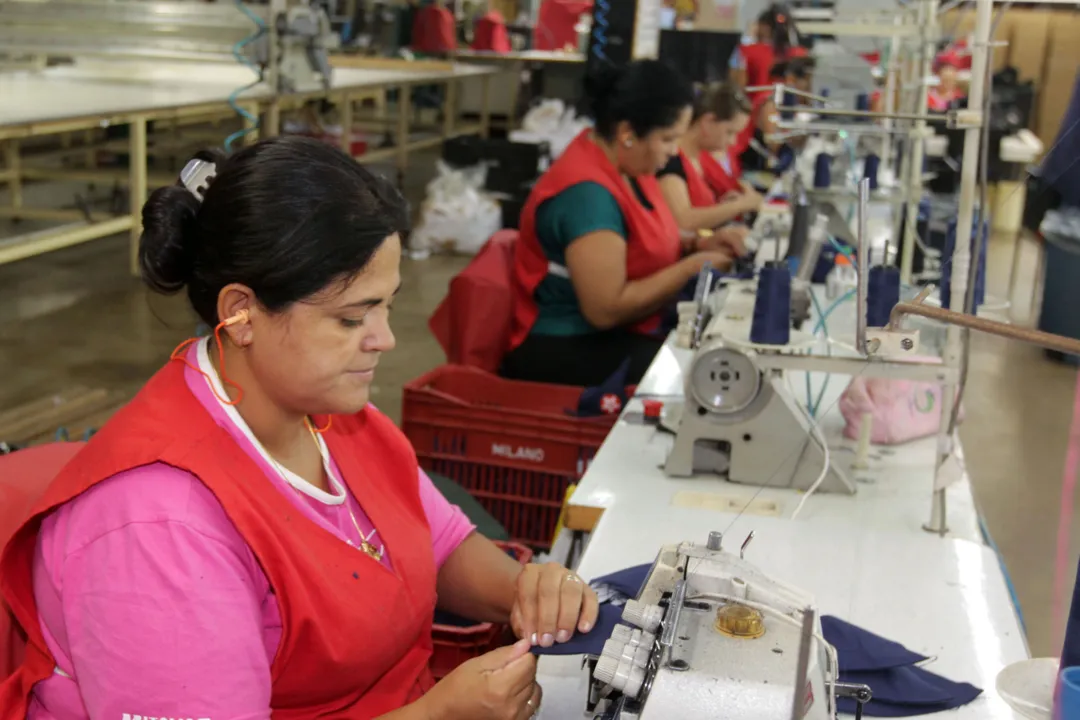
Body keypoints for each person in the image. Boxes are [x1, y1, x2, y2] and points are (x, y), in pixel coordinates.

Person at [0, 136, 598, 719]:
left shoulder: (330, 413)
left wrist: (527, 590)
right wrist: (440, 715)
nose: (385, 338)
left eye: (386, 305)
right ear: (242, 313)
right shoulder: (159, 531)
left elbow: (433, 545)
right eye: (351, 319)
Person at [500, 61, 733, 387]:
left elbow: (642, 237)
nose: (674, 152)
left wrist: (698, 243)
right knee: (697, 374)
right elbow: (604, 309)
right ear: (627, 134)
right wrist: (693, 267)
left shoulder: (630, 166)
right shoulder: (587, 196)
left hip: (610, 333)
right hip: (564, 344)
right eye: (668, 139)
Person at [657, 82, 764, 246]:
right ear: (707, 122)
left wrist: (723, 207)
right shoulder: (672, 161)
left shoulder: (698, 159)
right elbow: (684, 220)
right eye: (729, 132)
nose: (732, 141)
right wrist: (740, 205)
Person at [732, 56, 816, 175]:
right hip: (747, 168)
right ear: (791, 79)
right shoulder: (770, 103)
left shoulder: (788, 107)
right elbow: (774, 144)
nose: (810, 89)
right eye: (808, 82)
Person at [730, 4, 805, 100]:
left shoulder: (746, 51)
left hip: (756, 105)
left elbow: (736, 84)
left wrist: (747, 38)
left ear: (764, 27)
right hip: (788, 106)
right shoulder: (799, 53)